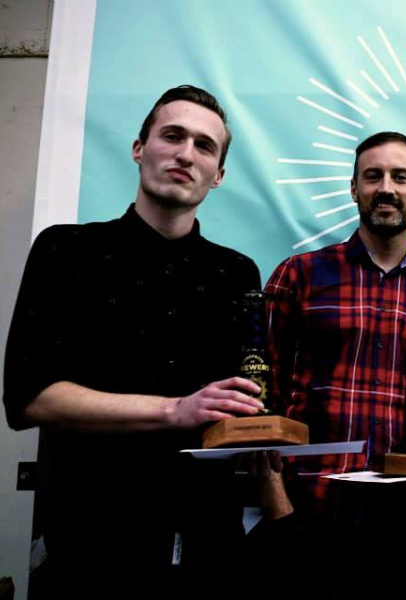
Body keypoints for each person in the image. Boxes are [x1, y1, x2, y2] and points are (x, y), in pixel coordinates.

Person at [3, 85, 266, 600]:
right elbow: (28, 397)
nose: (186, 153)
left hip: (210, 552)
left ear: (218, 174)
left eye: (204, 146)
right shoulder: (65, 250)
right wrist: (174, 410)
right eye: (173, 136)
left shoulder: (238, 274)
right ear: (139, 148)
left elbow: (234, 410)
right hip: (92, 549)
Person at [264, 131, 406, 599]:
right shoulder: (298, 276)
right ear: (354, 188)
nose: (386, 188)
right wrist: (277, 505)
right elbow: (262, 397)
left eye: (401, 177)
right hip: (305, 509)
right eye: (373, 176)